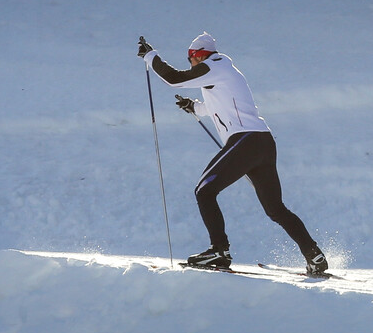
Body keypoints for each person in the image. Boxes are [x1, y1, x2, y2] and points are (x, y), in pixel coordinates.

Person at [138, 32, 329, 276]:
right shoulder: (223, 71)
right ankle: (315, 256)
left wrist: (151, 56)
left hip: (247, 140)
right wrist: (194, 107)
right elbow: (221, 104)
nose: (190, 63)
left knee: (204, 191)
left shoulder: (214, 65)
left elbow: (174, 79)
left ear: (200, 55)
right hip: (261, 142)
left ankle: (219, 252)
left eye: (191, 57)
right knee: (275, 209)